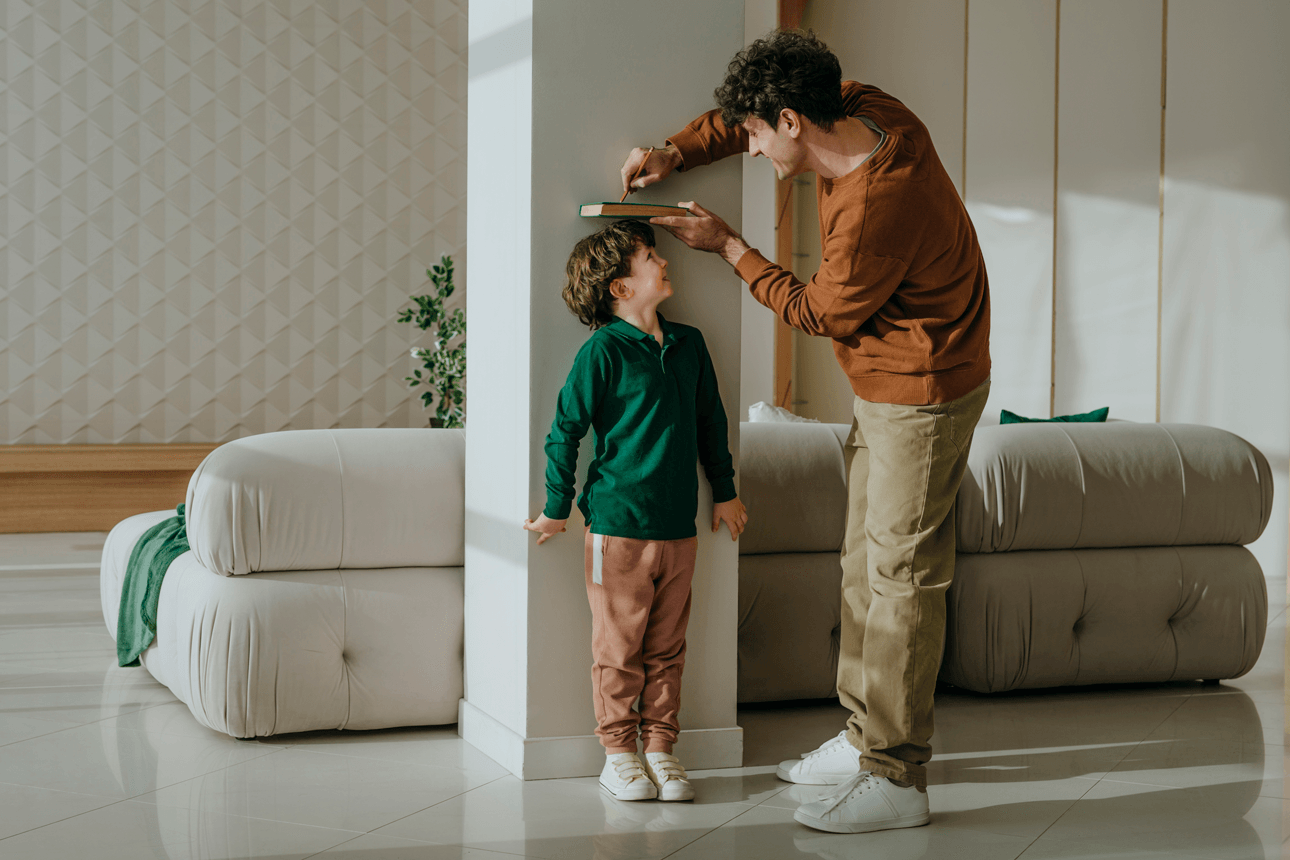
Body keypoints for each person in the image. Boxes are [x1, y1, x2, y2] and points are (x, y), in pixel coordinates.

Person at [619, 30, 991, 833]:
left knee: (901, 583)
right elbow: (739, 115)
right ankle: (864, 740)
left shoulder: (875, 208)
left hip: (923, 388)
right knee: (864, 567)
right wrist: (673, 151)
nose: (748, 148)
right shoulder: (862, 106)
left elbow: (815, 310)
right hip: (893, 380)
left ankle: (896, 777)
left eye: (755, 135)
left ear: (791, 122)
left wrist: (729, 247)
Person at [523, 219, 749, 803]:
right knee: (618, 649)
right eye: (650, 256)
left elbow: (711, 426)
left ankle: (660, 750)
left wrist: (724, 492)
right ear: (620, 286)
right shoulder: (601, 352)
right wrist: (556, 507)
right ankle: (619, 754)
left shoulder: (691, 344)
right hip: (616, 530)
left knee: (668, 647)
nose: (664, 262)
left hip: (679, 529)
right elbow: (564, 432)